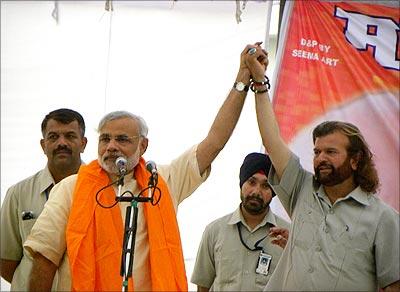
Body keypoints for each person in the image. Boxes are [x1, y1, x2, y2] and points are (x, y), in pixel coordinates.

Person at [23, 47, 255, 291]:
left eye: (122, 139)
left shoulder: (161, 183)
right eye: (105, 139)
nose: (111, 147)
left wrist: (241, 81)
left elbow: (214, 142)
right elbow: (44, 259)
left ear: (143, 145)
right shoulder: (71, 189)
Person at [243, 44, 400, 291]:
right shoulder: (302, 188)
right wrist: (260, 84)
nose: (320, 158)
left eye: (331, 152)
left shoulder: (384, 219)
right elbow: (271, 141)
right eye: (317, 152)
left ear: (356, 160)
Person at [0, 108, 87, 291]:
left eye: (70, 136)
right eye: (53, 137)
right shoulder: (18, 193)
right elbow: (6, 262)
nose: (61, 143)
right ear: (43, 144)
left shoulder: (104, 194)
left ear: (83, 143)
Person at [191, 152, 290, 291]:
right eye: (252, 182)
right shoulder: (214, 231)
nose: (257, 191)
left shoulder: (288, 236)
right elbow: (203, 286)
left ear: (273, 191)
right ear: (242, 183)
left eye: (265, 186)